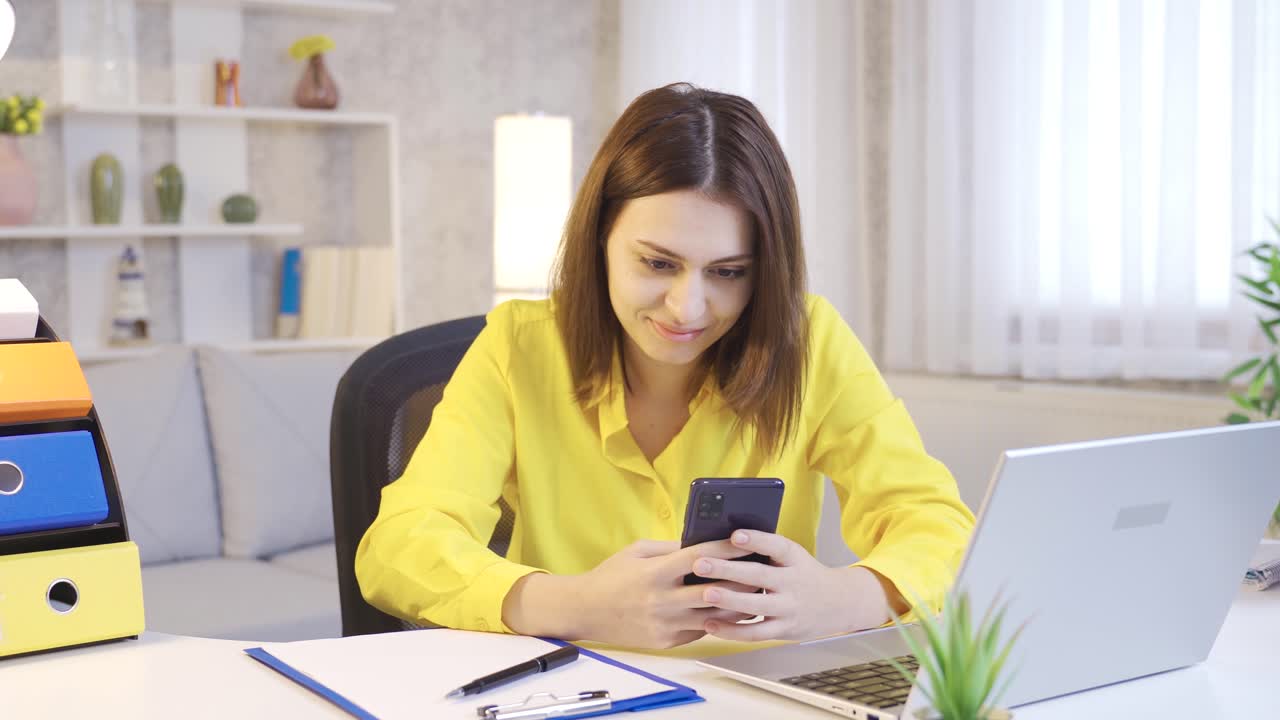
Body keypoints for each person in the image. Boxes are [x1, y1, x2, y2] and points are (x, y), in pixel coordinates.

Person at [355, 82, 974, 650]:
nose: (689, 308)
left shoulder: (810, 341)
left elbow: (939, 525)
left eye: (728, 272)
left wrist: (845, 598)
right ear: (600, 237)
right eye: (657, 264)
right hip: (567, 693)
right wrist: (576, 603)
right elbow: (399, 545)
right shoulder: (520, 347)